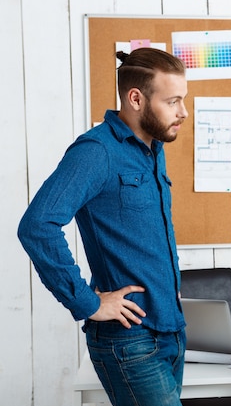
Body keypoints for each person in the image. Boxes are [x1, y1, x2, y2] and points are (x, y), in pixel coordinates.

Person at [18, 47, 189, 406]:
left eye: (183, 100)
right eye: (172, 101)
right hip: (130, 341)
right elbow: (37, 225)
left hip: (171, 332)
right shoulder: (96, 152)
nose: (183, 112)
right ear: (136, 98)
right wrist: (87, 302)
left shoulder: (152, 148)